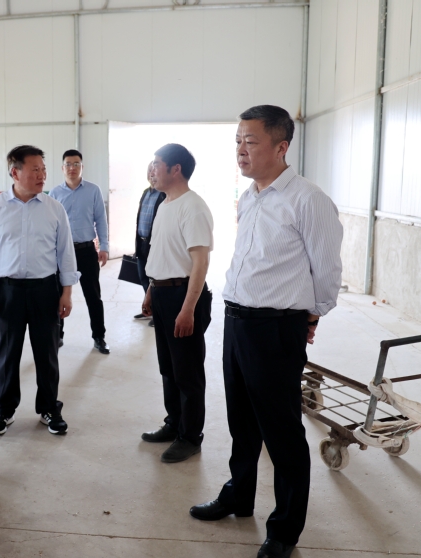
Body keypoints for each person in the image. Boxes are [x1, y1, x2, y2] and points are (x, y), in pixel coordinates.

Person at [189, 105, 343, 558]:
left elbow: (327, 271)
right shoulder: (250, 196)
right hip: (237, 321)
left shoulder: (308, 200)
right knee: (242, 422)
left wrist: (311, 315)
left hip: (276, 328)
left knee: (281, 433)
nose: (241, 149)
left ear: (281, 147)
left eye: (250, 141)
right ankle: (239, 496)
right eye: (238, 140)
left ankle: (284, 530)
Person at [0, 145, 79, 436]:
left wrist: (67, 292)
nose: (42, 175)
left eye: (44, 169)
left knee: (47, 353)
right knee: (7, 354)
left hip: (46, 289)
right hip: (9, 291)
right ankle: (4, 410)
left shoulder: (54, 208)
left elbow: (66, 255)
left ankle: (49, 408)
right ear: (15, 172)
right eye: (35, 170)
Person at [139, 144, 213, 463]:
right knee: (169, 367)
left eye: (157, 163)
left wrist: (187, 309)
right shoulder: (165, 203)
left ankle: (190, 436)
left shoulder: (192, 207)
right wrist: (151, 290)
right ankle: (174, 423)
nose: (152, 169)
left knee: (187, 372)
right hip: (163, 294)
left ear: (176, 169)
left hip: (184, 296)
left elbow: (200, 262)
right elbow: (162, 253)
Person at [48, 149, 110, 354]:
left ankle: (99, 336)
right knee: (58, 295)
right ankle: (57, 336)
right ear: (62, 167)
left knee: (93, 296)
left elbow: (101, 220)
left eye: (76, 164)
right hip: (61, 253)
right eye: (68, 164)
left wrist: (104, 247)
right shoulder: (55, 193)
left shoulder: (93, 190)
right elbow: (49, 224)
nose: (72, 168)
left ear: (82, 167)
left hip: (86, 251)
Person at [133, 161, 167, 326]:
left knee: (155, 281)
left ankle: (158, 314)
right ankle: (149, 308)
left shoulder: (164, 195)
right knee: (143, 278)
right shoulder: (145, 193)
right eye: (149, 171)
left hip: (155, 245)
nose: (152, 174)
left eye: (155, 170)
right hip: (142, 243)